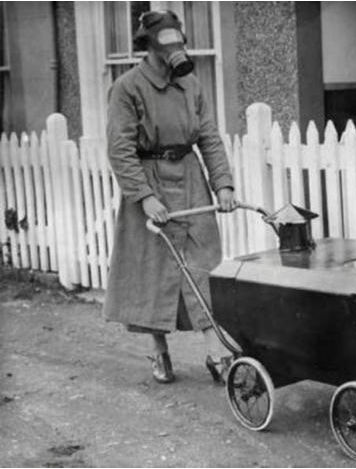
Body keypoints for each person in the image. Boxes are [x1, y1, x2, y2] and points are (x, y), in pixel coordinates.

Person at [103, 10, 237, 384]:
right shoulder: (127, 88)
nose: (175, 51)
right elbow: (120, 150)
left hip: (191, 177)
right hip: (150, 180)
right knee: (152, 269)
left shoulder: (191, 85)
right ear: (148, 48)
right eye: (166, 44)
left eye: (179, 42)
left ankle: (216, 349)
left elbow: (208, 136)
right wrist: (144, 197)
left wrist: (223, 183)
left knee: (203, 262)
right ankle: (158, 349)